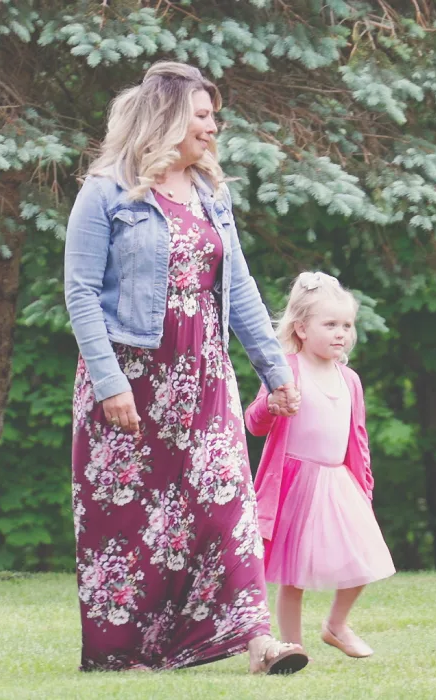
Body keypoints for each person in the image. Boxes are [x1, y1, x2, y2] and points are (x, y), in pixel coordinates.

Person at [64, 61, 309, 674]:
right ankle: (126, 654)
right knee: (128, 521)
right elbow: (81, 294)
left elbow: (240, 286)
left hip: (204, 376)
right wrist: (110, 383)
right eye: (202, 116)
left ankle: (259, 642)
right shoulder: (106, 190)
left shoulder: (210, 194)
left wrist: (276, 370)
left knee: (228, 505)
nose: (213, 128)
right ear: (168, 118)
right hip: (129, 377)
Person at [246, 271, 395, 658]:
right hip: (296, 483)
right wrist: (270, 404)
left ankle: (336, 625)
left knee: (365, 554)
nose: (340, 333)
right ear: (301, 328)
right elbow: (255, 423)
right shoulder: (286, 370)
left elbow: (357, 437)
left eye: (346, 325)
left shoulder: (350, 380)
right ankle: (292, 646)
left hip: (339, 482)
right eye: (330, 325)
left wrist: (364, 484)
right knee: (293, 575)